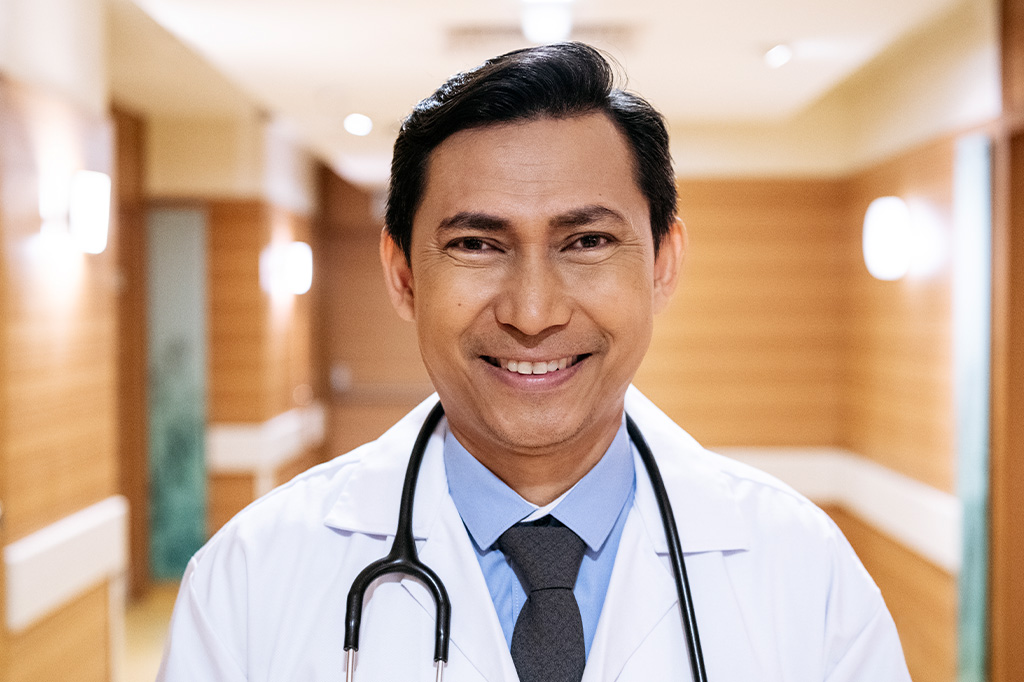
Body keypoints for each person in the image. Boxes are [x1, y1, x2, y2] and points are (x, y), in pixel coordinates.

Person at [157, 42, 911, 681]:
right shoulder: (250, 581)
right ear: (403, 276)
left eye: (586, 242)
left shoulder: (803, 573)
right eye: (477, 245)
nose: (533, 312)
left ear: (662, 263)